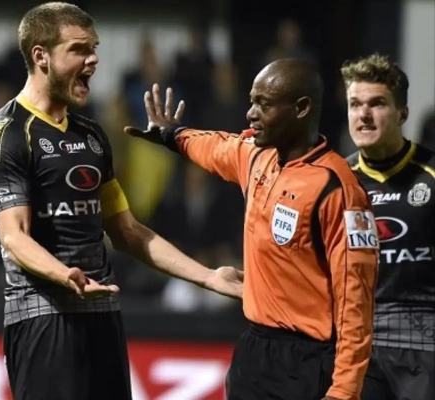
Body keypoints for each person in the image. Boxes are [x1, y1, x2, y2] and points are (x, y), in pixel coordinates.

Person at [0, 3, 243, 400]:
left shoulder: (92, 136)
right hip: (43, 318)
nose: (93, 59)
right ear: (40, 56)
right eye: (79, 49)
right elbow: (14, 237)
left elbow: (128, 231)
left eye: (94, 48)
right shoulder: (6, 134)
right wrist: (65, 275)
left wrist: (208, 277)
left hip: (102, 316)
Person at [125, 59, 380, 400]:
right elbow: (215, 147)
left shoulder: (338, 190)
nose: (250, 113)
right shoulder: (258, 157)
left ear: (301, 108)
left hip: (306, 361)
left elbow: (355, 303)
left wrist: (344, 391)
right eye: (251, 102)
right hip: (254, 352)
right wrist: (172, 134)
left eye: (264, 104)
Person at [342, 53, 435, 400]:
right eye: (355, 104)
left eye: (377, 103)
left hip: (424, 347)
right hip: (358, 347)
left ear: (402, 113)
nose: (363, 114)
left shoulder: (430, 173)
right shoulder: (336, 181)